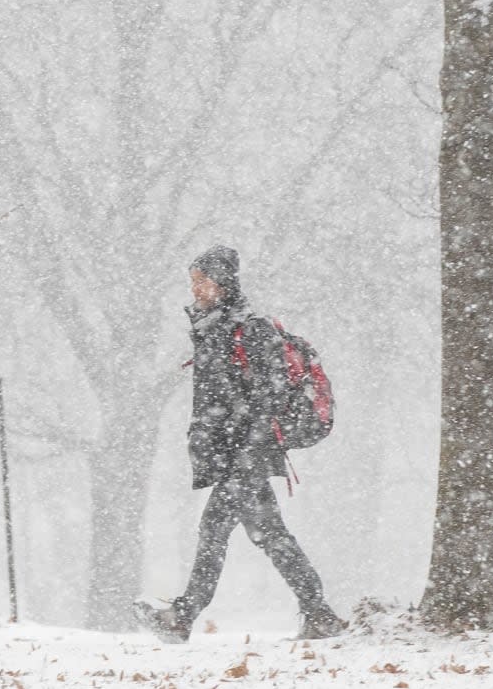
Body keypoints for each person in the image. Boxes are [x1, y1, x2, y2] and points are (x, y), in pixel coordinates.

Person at [134, 245, 345, 642]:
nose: (195, 288)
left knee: (213, 528)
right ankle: (320, 613)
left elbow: (272, 393)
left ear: (223, 282)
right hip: (236, 452)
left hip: (248, 452)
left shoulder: (250, 329)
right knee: (270, 534)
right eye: (192, 280)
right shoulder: (213, 328)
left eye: (202, 280)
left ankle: (182, 617)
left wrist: (250, 446)